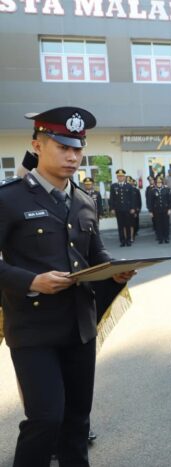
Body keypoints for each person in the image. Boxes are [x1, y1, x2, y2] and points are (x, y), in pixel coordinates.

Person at [0, 106, 135, 466]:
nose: (73, 156)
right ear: (37, 145)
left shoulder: (84, 200)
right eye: (62, 147)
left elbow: (96, 253)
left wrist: (115, 271)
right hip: (33, 329)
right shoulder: (9, 199)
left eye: (77, 148)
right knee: (45, 419)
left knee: (77, 421)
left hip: (79, 328)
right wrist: (30, 281)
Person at [109, 169, 134, 246]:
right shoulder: (114, 186)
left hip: (127, 209)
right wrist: (112, 208)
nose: (120, 178)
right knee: (120, 226)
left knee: (128, 225)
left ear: (124, 177)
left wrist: (132, 208)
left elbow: (132, 198)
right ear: (117, 177)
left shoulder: (129, 186)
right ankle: (122, 241)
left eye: (122, 176)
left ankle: (128, 240)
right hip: (118, 209)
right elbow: (112, 198)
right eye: (119, 176)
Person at [149, 174, 171, 244]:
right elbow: (151, 202)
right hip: (156, 211)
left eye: (160, 182)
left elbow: (169, 200)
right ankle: (160, 238)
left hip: (165, 210)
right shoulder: (153, 190)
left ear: (162, 182)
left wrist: (170, 209)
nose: (159, 183)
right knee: (158, 225)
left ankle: (166, 237)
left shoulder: (166, 190)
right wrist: (151, 211)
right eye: (158, 182)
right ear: (156, 183)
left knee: (166, 224)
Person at [127, 176, 141, 243]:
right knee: (129, 224)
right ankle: (130, 236)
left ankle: (134, 234)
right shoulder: (125, 190)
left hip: (135, 209)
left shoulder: (136, 190)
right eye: (128, 181)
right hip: (127, 210)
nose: (130, 182)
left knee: (135, 223)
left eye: (131, 181)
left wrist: (138, 209)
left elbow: (138, 200)